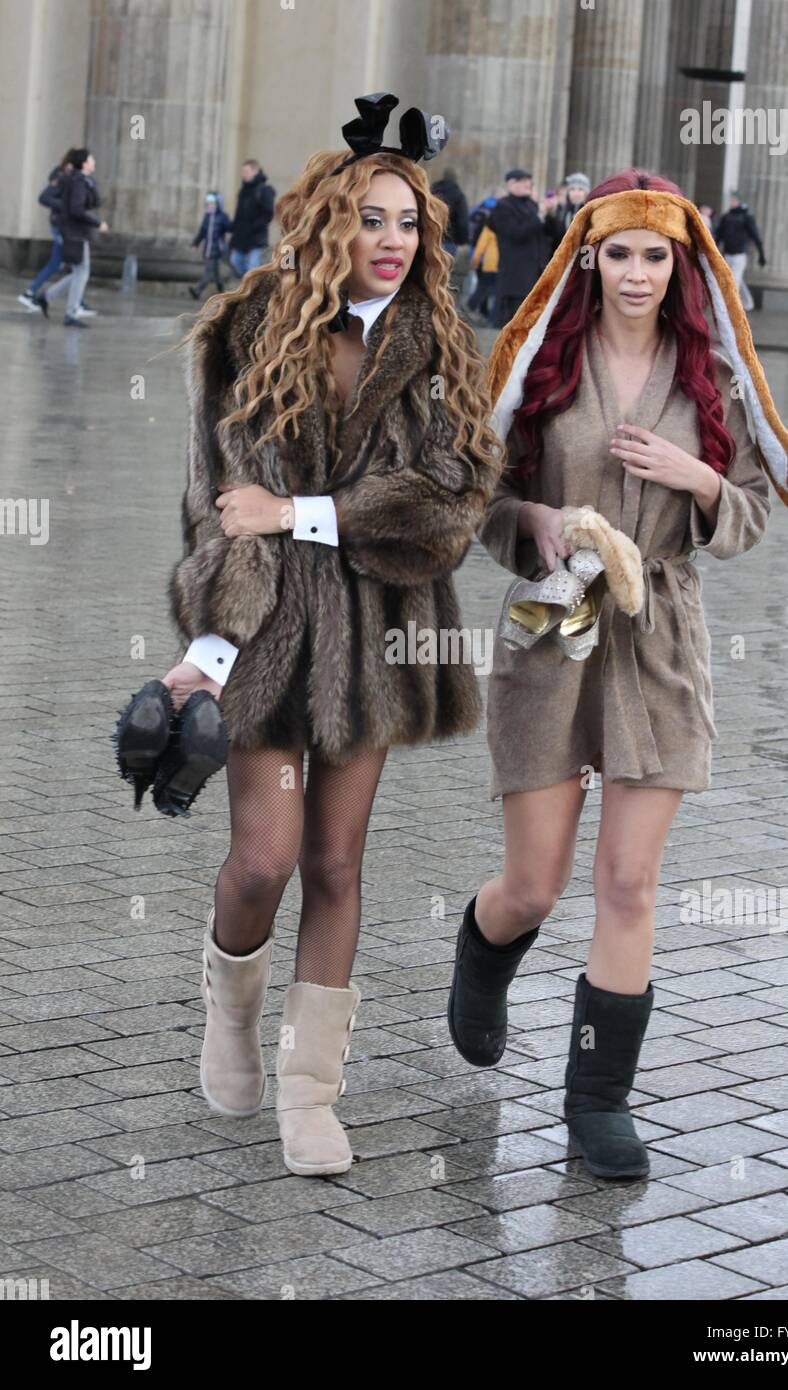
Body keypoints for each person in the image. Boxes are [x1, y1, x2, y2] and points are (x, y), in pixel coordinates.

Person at [447, 169, 788, 1181]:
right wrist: (540, 525)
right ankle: (483, 951)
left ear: (681, 264)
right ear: (588, 259)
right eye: (619, 253)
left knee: (626, 881)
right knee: (535, 881)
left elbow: (748, 509)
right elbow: (483, 508)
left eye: (656, 255)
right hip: (548, 633)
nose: (638, 272)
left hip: (657, 636)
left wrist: (698, 478)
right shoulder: (540, 369)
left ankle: (596, 1103)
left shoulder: (711, 381)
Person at [156, 108, 502, 1178]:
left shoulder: (438, 344)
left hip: (382, 637)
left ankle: (311, 1093)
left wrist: (306, 511)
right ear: (322, 226)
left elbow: (449, 507)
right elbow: (221, 510)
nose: (390, 239)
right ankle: (226, 1000)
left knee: (335, 862)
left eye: (407, 221)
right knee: (261, 862)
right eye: (368, 218)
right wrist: (206, 656)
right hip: (264, 629)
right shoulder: (248, 332)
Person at [33, 148, 109, 326]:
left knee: (80, 272)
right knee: (81, 271)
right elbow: (77, 209)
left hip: (76, 232)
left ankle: (47, 296)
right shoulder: (77, 182)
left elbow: (92, 202)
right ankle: (70, 312)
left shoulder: (83, 181)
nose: (94, 162)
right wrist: (98, 223)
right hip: (76, 232)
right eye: (91, 159)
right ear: (84, 163)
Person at [17, 149, 76, 312]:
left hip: (64, 225)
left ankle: (76, 302)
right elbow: (45, 197)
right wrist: (65, 207)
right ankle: (31, 293)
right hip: (60, 225)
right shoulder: (63, 175)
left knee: (71, 266)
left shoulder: (68, 174)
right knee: (71, 265)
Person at [490, 168, 549, 327]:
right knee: (513, 322)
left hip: (534, 270)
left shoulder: (531, 204)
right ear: (511, 184)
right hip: (514, 273)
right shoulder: (503, 207)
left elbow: (546, 235)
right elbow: (516, 233)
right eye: (523, 181)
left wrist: (547, 215)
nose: (528, 185)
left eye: (529, 181)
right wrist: (538, 218)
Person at [715, 191, 765, 312]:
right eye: (731, 199)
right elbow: (719, 235)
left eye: (734, 200)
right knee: (736, 279)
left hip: (739, 254)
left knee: (734, 280)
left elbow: (755, 235)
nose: (732, 202)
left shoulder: (746, 216)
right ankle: (748, 302)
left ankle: (731, 309)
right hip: (728, 253)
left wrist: (761, 253)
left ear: (738, 201)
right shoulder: (726, 216)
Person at [228, 159, 275, 278]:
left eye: (246, 171)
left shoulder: (265, 190)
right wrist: (233, 230)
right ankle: (248, 286)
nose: (243, 174)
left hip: (256, 238)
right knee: (235, 261)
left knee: (253, 266)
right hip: (240, 237)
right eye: (243, 171)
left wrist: (254, 227)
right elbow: (238, 215)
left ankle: (252, 289)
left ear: (255, 171)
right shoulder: (243, 191)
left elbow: (268, 213)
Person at [189, 190, 231, 300]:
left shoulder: (222, 216)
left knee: (210, 273)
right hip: (208, 250)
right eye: (209, 203)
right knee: (215, 274)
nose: (210, 205)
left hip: (218, 249)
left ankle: (197, 290)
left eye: (213, 203)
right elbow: (202, 231)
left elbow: (229, 227)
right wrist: (196, 243)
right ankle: (223, 293)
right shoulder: (207, 217)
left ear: (218, 204)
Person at [545, 172, 591, 253]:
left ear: (586, 193)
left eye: (580, 189)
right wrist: (550, 214)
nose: (576, 193)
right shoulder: (563, 211)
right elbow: (555, 236)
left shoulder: (589, 211)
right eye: (572, 189)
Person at [431, 166, 470, 258]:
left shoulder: (433, 191)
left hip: (432, 237)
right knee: (446, 268)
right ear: (455, 178)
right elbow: (462, 221)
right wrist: (462, 240)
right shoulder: (458, 195)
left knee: (430, 269)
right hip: (450, 239)